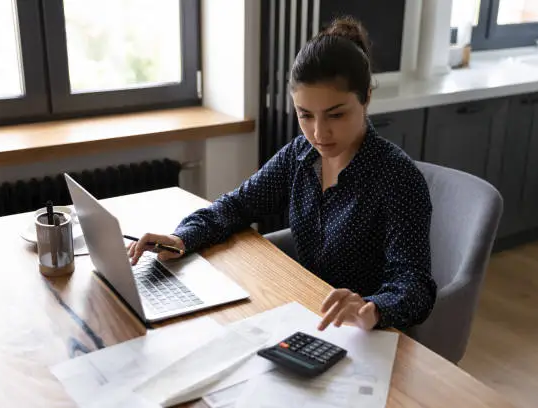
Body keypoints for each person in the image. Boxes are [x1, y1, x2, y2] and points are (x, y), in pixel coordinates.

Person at [128, 16, 437, 332]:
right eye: (305, 115)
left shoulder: (397, 177)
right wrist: (180, 237)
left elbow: (415, 285)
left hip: (368, 335)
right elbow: (236, 206)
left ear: (366, 97)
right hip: (304, 313)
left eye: (337, 114)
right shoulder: (300, 155)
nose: (319, 133)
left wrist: (371, 308)